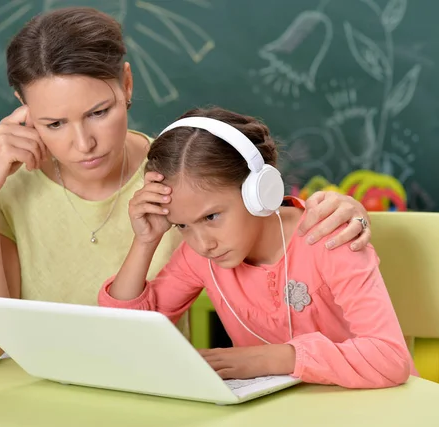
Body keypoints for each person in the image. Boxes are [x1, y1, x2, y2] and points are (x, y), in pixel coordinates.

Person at [0, 7, 372, 369]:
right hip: (33, 397)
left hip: (148, 394)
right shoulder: (12, 191)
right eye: (53, 124)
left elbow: (270, 233)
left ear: (127, 85)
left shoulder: (180, 178)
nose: (82, 143)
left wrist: (339, 210)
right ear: (23, 109)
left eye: (99, 112)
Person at [98, 106, 416, 389]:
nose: (202, 243)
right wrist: (145, 241)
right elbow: (126, 336)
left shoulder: (329, 237)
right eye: (182, 225)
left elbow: (389, 358)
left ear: (260, 192)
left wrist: (270, 359)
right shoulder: (198, 256)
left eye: (212, 216)